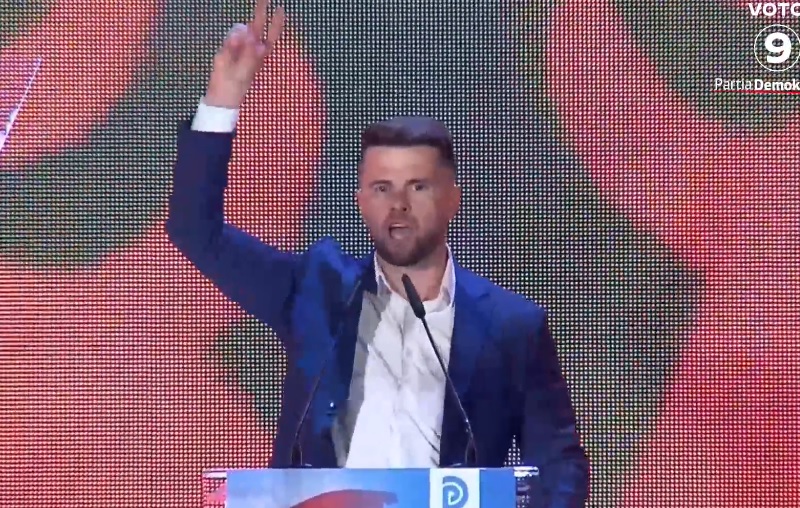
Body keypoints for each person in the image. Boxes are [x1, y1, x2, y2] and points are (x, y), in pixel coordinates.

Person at [166, 0, 589, 504]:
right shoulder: (316, 290)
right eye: (382, 188)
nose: (399, 205)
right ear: (361, 201)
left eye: (418, 187)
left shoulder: (511, 327)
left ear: (453, 199)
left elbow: (560, 466)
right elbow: (195, 230)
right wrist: (224, 97)